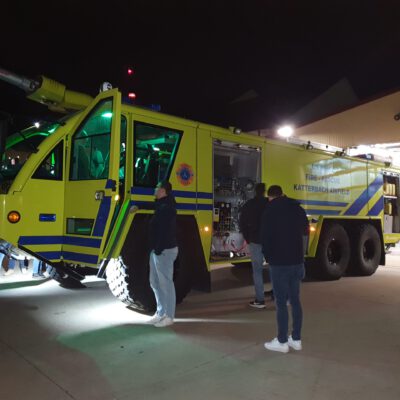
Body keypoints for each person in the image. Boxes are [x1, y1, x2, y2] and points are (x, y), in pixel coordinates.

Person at [261, 185, 309, 353]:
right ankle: (296, 339)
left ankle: (281, 342)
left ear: (270, 197)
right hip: (297, 262)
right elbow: (305, 231)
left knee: (281, 303)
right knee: (295, 300)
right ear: (282, 194)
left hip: (280, 264)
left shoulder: (269, 211)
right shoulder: (297, 208)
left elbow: (265, 238)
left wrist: (268, 257)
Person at [148, 180, 178, 327]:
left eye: (157, 187)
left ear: (163, 191)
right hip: (157, 250)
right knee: (154, 282)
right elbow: (151, 206)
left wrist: (159, 249)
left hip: (165, 250)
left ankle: (169, 316)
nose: (155, 189)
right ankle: (161, 312)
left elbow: (164, 231)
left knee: (166, 283)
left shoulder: (167, 208)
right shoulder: (161, 204)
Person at [239, 183, 271, 308]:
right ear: (265, 191)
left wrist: (248, 238)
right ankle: (276, 294)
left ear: (254, 191)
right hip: (269, 241)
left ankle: (260, 300)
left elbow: (242, 223)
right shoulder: (270, 204)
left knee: (257, 271)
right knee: (274, 269)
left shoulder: (249, 205)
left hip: (255, 241)